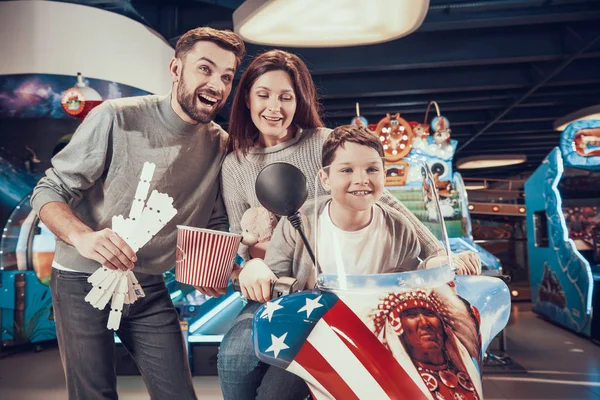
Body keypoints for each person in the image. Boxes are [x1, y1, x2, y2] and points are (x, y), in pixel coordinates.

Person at [30, 27, 245, 400]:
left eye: (227, 76)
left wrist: (210, 267)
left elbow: (213, 220)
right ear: (176, 69)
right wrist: (84, 236)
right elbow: (49, 190)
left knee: (178, 394)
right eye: (205, 69)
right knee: (93, 394)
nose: (217, 84)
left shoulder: (220, 144)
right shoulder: (115, 116)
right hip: (81, 279)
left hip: (148, 283)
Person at [370, 286, 483, 400]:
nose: (424, 323)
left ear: (443, 325)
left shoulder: (464, 371)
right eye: (412, 315)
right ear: (396, 327)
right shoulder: (390, 383)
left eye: (429, 314)